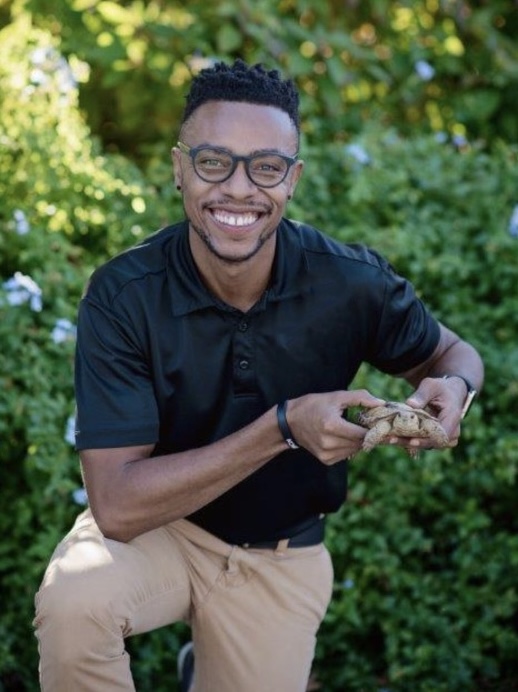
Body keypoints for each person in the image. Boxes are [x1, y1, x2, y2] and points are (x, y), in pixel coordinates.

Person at [33, 59, 484, 692]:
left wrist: (454, 390)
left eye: (266, 166)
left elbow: (455, 354)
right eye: (214, 161)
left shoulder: (350, 283)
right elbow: (116, 505)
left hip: (282, 554)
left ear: (292, 179)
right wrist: (283, 428)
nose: (239, 189)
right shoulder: (122, 294)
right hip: (159, 530)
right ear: (179, 168)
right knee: (75, 601)